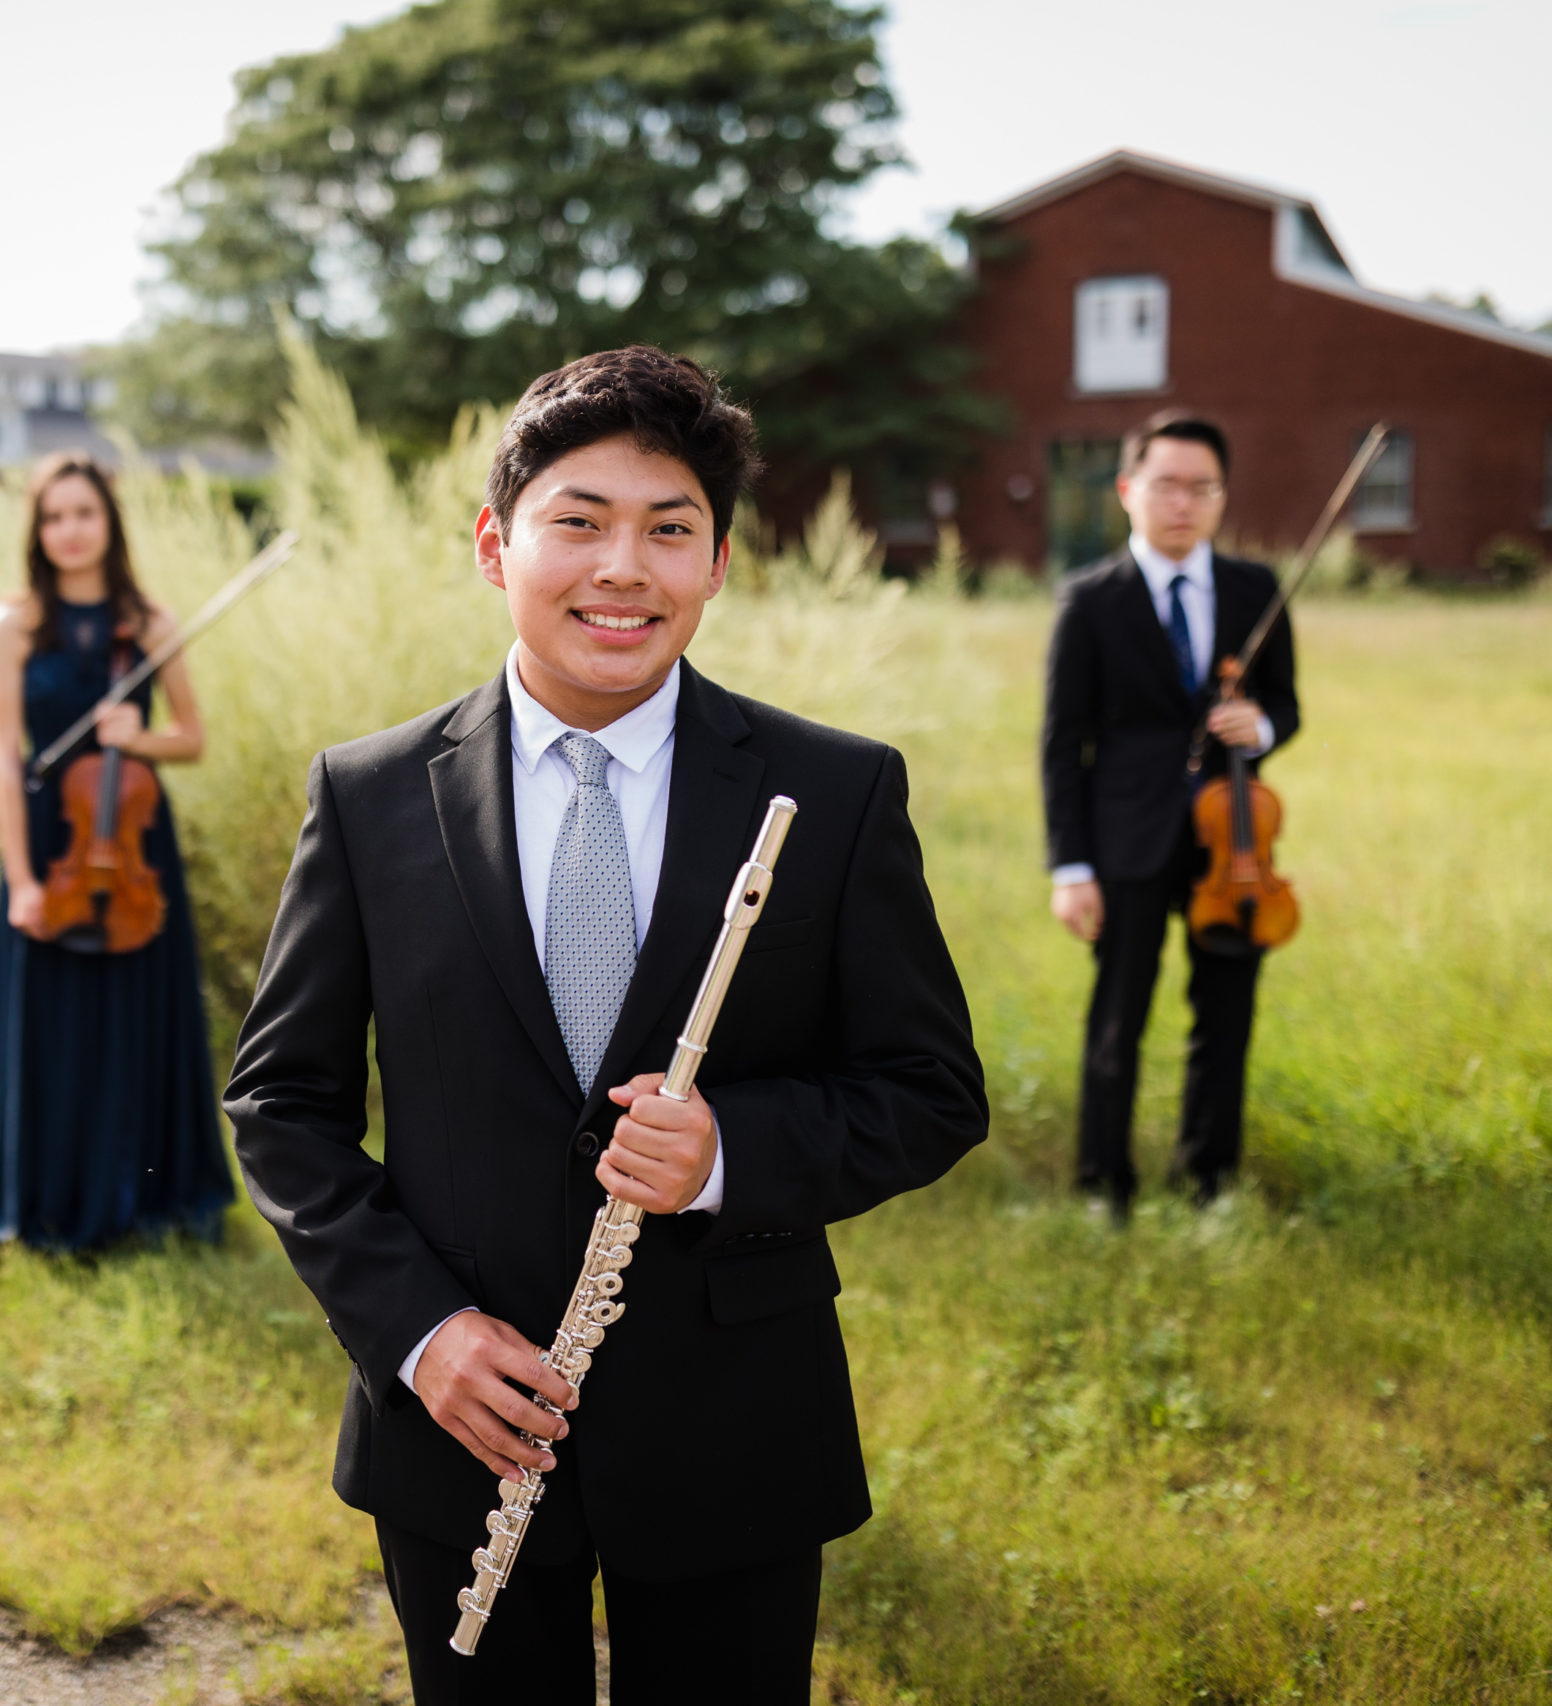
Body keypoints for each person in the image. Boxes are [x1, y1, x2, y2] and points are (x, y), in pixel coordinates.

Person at [224, 348, 987, 1705]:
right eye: (578, 520)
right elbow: (281, 1105)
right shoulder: (370, 793)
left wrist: (725, 1153)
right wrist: (420, 1333)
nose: (623, 567)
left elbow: (929, 1087)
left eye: (669, 529)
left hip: (735, 1418)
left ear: (719, 564)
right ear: (493, 543)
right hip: (460, 1418)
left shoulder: (836, 790)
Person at [0, 454, 235, 1251]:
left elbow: (191, 738)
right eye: (54, 516)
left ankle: (146, 1198)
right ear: (38, 530)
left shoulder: (148, 621)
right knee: (52, 1020)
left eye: (85, 514)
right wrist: (21, 878)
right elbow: (6, 754)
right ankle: (46, 1198)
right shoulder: (13, 624)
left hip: (132, 839)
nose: (71, 531)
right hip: (47, 839)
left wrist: (140, 738)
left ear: (110, 523)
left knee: (137, 1014)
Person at [1042, 413, 1298, 1216]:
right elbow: (1062, 742)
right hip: (1127, 839)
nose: (1183, 502)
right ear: (1128, 492)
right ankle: (1102, 1182)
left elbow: (1285, 704)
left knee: (1226, 1015)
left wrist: (1256, 727)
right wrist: (1071, 867)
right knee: (1119, 1017)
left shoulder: (1257, 589)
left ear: (1221, 497)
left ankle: (1209, 1178)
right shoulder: (1089, 600)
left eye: (1202, 487)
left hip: (1236, 842)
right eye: (1166, 485)